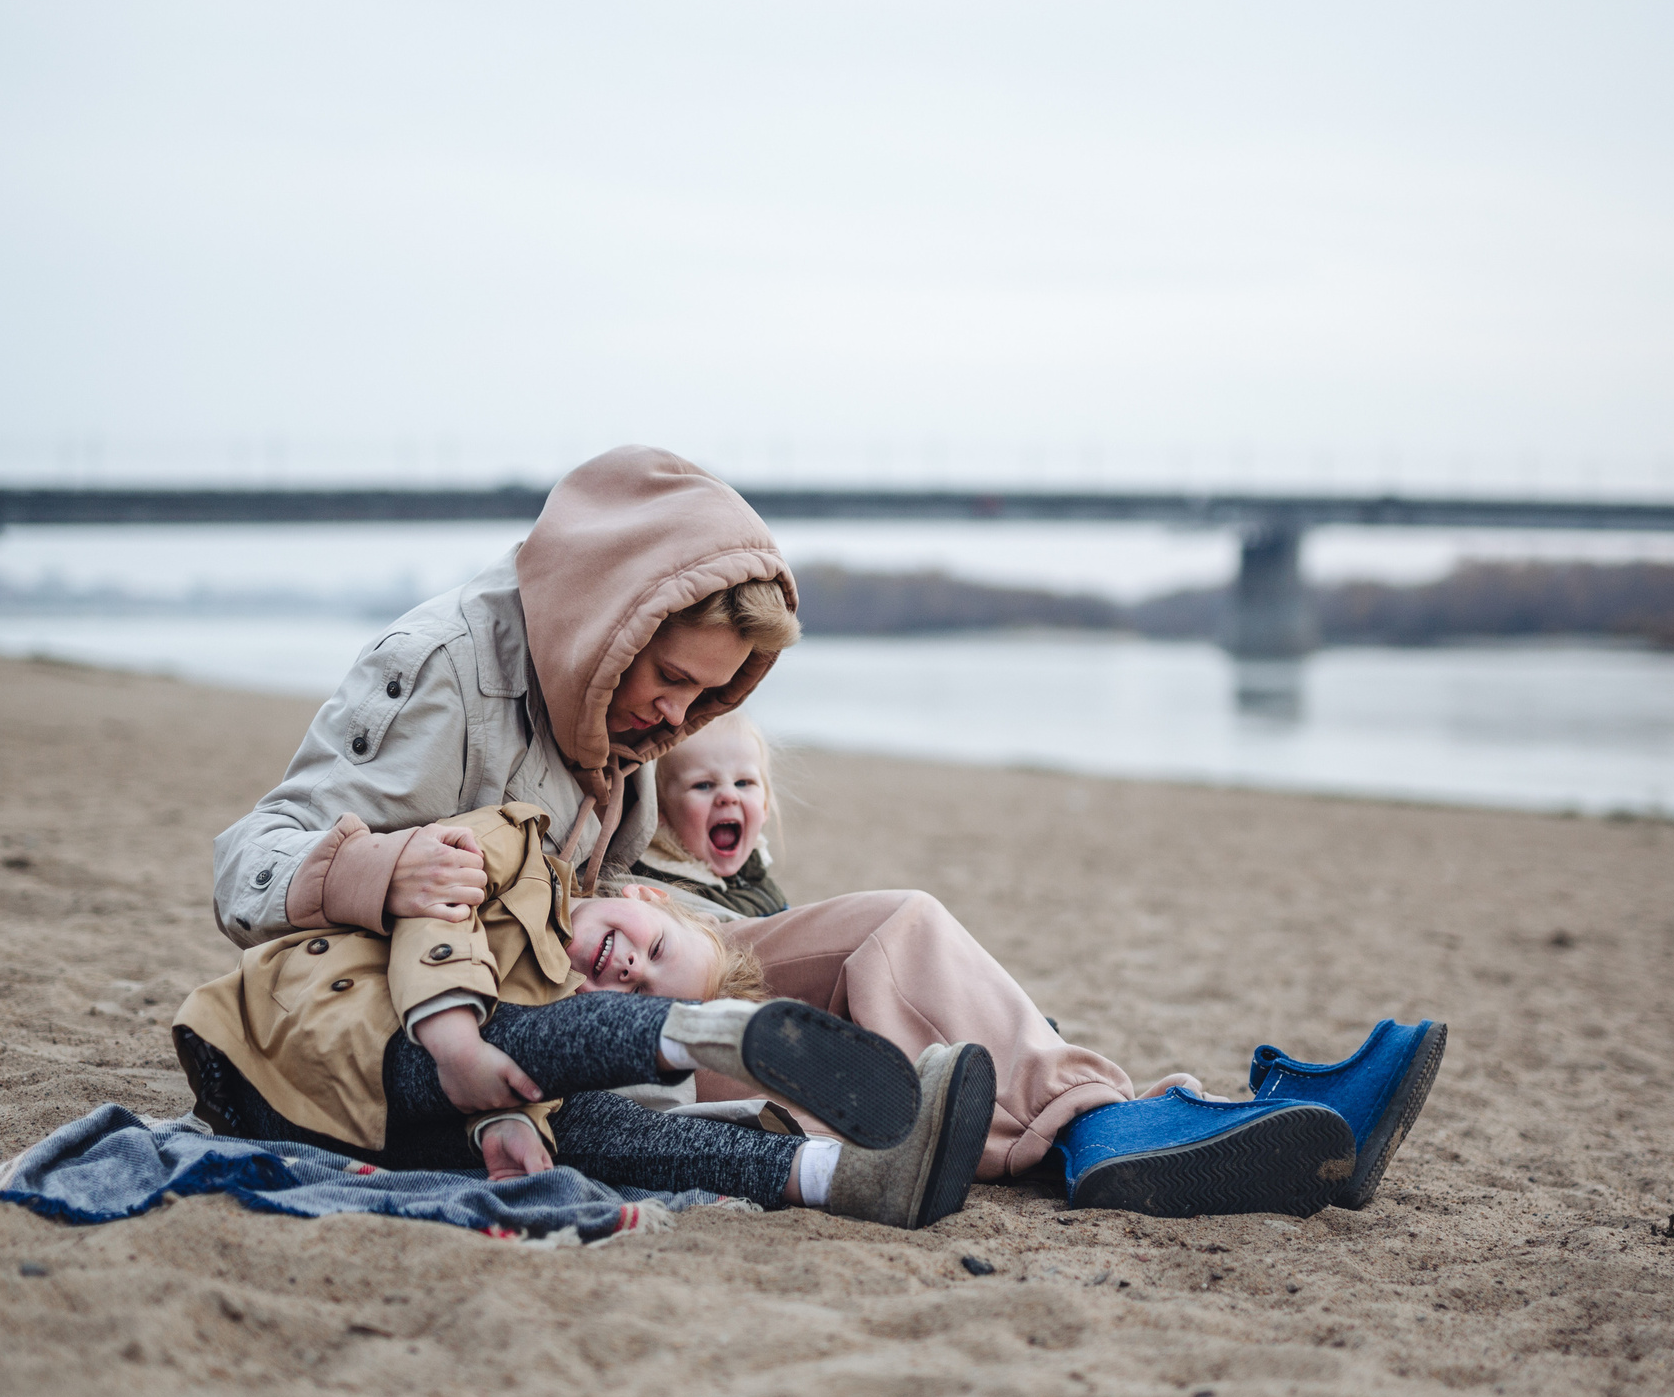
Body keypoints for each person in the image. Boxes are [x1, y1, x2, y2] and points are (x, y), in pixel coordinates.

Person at [212, 444, 1408, 1218]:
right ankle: (1059, 1133)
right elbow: (247, 866)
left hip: (596, 955)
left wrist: (683, 893)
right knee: (717, 1036)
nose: (672, 718)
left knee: (891, 929)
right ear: (606, 615)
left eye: (704, 699)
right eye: (668, 681)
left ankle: (1110, 1121)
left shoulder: (625, 713)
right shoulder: (438, 668)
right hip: (456, 1012)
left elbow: (606, 867)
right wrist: (379, 869)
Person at [177, 801, 995, 1229]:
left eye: (645, 992)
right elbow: (436, 912)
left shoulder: (548, 1020)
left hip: (348, 1122)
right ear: (641, 896)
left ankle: (839, 1176)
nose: (631, 969)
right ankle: (710, 1039)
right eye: (655, 951)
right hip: (300, 1035)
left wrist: (503, 1119)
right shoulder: (519, 850)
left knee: (603, 1131)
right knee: (535, 1055)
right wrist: (457, 1042)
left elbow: (511, 1076)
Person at [623, 709, 789, 918]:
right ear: (660, 810)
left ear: (765, 805)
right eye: (703, 785)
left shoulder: (754, 870)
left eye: (743, 783)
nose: (729, 795)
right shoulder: (662, 890)